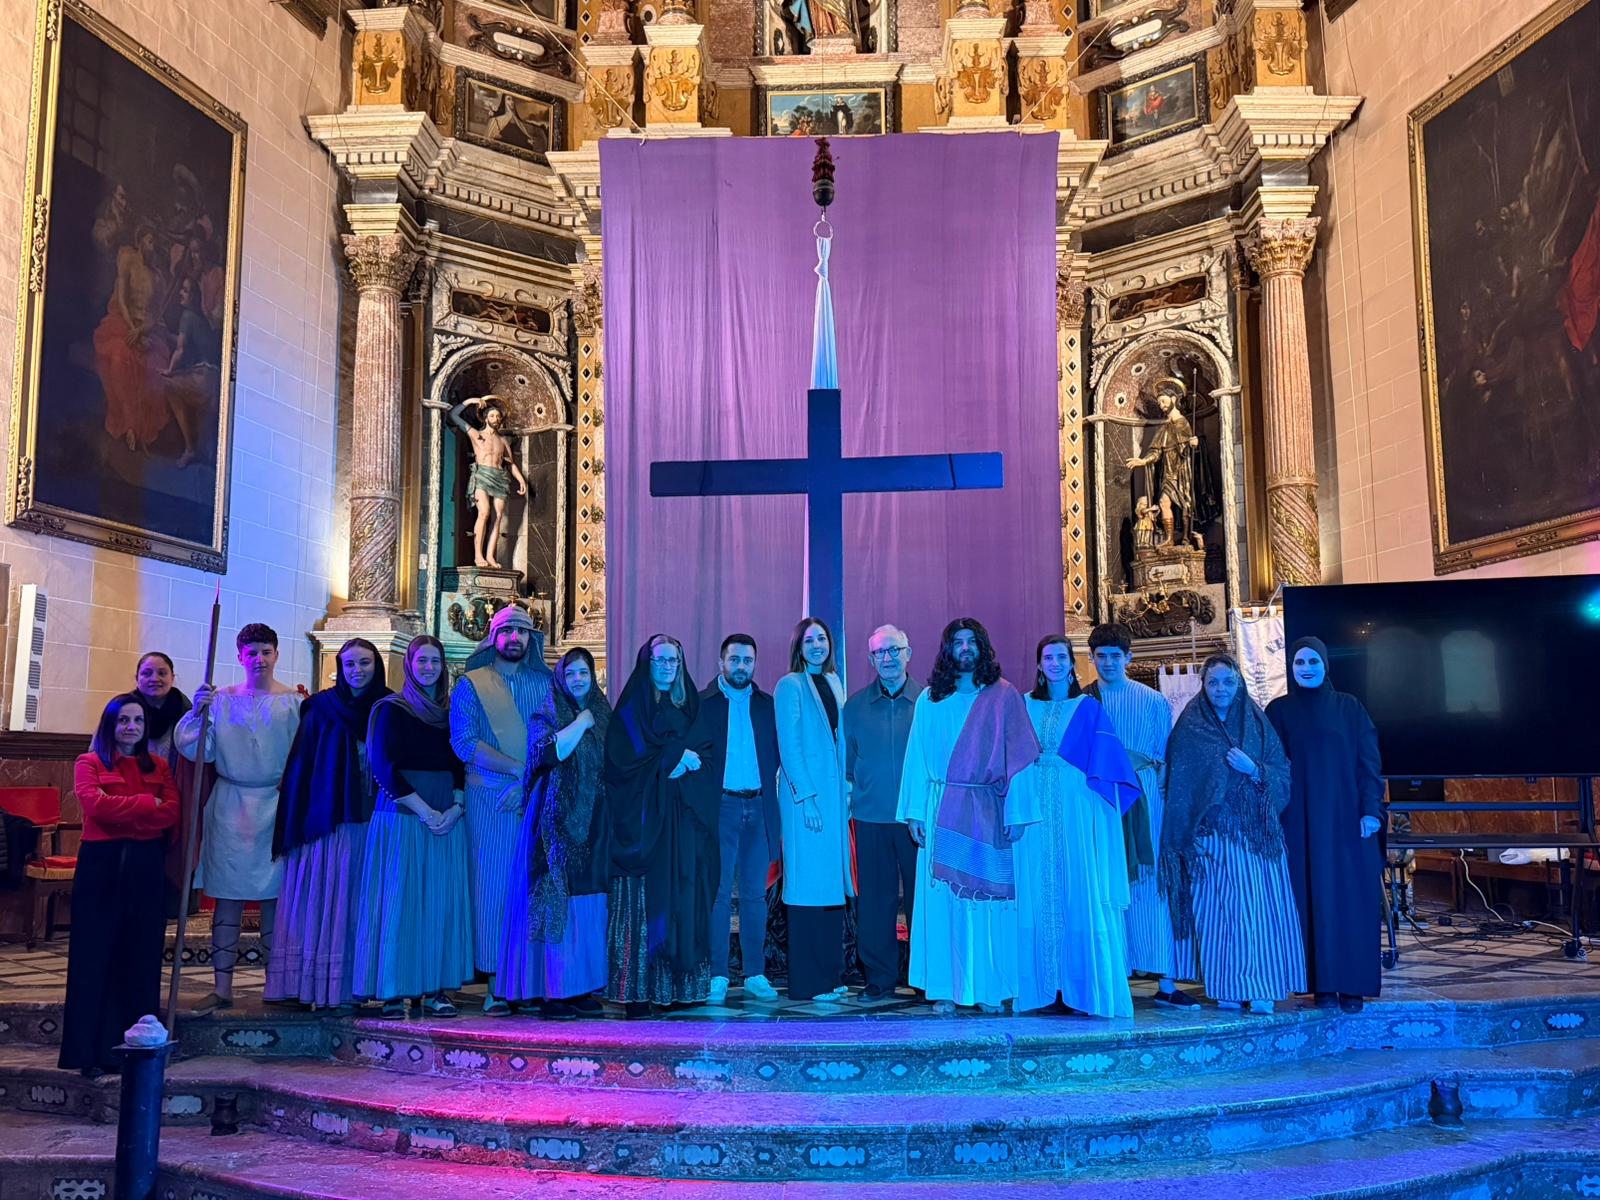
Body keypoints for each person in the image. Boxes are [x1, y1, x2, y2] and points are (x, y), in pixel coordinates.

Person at [896, 618, 1041, 1014]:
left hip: (988, 811)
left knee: (986, 903)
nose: (964, 648)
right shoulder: (930, 699)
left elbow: (1022, 761)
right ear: (947, 650)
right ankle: (944, 987)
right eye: (957, 642)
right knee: (942, 904)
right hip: (941, 809)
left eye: (971, 641)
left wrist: (1018, 811)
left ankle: (988, 988)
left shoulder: (1004, 696)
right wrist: (913, 813)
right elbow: (917, 759)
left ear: (983, 646)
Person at [1165, 654, 1305, 1014]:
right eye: (1213, 683)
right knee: (1218, 916)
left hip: (1255, 838)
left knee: (1256, 914)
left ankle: (1260, 987)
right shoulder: (1191, 725)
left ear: (1239, 683)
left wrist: (1253, 768)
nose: (1221, 689)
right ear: (1204, 685)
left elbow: (1283, 774)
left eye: (1228, 681)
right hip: (1209, 840)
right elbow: (1180, 784)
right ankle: (1226, 987)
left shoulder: (1257, 724)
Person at [176, 623, 301, 1013]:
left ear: (277, 654)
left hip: (277, 805)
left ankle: (276, 984)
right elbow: (200, 751)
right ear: (240, 656)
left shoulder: (294, 702)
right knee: (228, 900)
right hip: (231, 806)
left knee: (274, 903)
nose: (259, 659)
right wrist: (197, 712)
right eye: (251, 653)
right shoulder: (223, 700)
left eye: (265, 651)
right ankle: (222, 986)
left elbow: (305, 754)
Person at [1014, 636, 1141, 1018]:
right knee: (1037, 888)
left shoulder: (1088, 708)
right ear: (1039, 665)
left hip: (1076, 805)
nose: (1054, 663)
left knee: (1077, 885)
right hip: (1035, 807)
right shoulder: (1022, 706)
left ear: (1072, 664)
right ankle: (1040, 989)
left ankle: (1081, 989)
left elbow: (1107, 768)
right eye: (1047, 656)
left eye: (1061, 657)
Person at [353, 636, 473, 1020]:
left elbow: (460, 765)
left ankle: (435, 990)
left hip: (445, 816)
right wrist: (425, 811)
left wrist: (455, 807)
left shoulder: (450, 712)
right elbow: (383, 765)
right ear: (409, 664)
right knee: (400, 904)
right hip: (404, 813)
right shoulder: (391, 709)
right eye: (422, 661)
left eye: (435, 661)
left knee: (439, 905)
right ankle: (393, 989)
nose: (428, 668)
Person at [267, 638, 390, 1009]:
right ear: (340, 666)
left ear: (377, 665)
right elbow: (303, 767)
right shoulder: (320, 708)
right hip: (331, 820)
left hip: (375, 820)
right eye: (350, 664)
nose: (357, 671)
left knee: (363, 904)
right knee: (332, 900)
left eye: (365, 663)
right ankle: (323, 987)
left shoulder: (389, 706)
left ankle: (363, 984)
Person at [61, 694, 180, 1076]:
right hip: (102, 866)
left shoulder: (159, 765)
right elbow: (95, 807)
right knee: (95, 956)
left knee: (141, 956)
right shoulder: (89, 762)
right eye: (123, 720)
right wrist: (147, 804)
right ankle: (89, 1051)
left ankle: (140, 1045)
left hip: (145, 867)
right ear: (110, 725)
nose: (131, 727)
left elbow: (172, 813)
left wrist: (128, 807)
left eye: (138, 721)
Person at [1268, 636, 1385, 1013]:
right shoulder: (1279, 711)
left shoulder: (1350, 708)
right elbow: (1272, 769)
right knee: (1308, 900)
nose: (1306, 669)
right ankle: (1319, 985)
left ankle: (1351, 985)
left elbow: (1368, 765)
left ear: (1326, 664)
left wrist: (1371, 811)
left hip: (1346, 821)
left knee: (1350, 900)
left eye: (1312, 662)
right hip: (1298, 824)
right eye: (1300, 663)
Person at [1083, 622, 1197, 1007]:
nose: (1109, 663)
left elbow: (1164, 760)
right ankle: (1116, 972)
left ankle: (1166, 980)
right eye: (1102, 656)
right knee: (1109, 883)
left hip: (1144, 795)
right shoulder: (1085, 700)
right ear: (1092, 659)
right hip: (1100, 799)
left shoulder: (1151, 701)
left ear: (1129, 658)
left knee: (1150, 883)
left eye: (1116, 656)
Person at [604, 635, 719, 1016]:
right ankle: (637, 990)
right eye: (660, 660)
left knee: (684, 899)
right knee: (646, 904)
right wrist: (672, 758)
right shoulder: (631, 711)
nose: (667, 667)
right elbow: (622, 765)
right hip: (645, 829)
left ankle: (681, 990)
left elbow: (707, 754)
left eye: (674, 660)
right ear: (647, 663)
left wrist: (687, 763)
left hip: (683, 826)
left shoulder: (692, 708)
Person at [449, 605, 554, 1015]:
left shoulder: (546, 684)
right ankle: (495, 982)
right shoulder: (470, 685)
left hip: (537, 799)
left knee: (530, 889)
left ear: (532, 639)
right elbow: (464, 742)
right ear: (493, 636)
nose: (515, 638)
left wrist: (529, 782)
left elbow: (554, 739)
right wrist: (517, 773)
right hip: (489, 800)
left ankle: (527, 982)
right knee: (492, 889)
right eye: (507, 630)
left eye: (522, 631)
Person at [499, 647, 613, 1019]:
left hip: (593, 825)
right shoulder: (545, 715)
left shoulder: (604, 713)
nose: (578, 679)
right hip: (552, 828)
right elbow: (547, 755)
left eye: (584, 673)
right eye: (571, 674)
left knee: (587, 901)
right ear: (560, 678)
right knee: (555, 901)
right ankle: (552, 991)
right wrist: (580, 723)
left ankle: (578, 987)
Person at [774, 618, 854, 1003]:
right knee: (806, 886)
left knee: (830, 888)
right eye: (809, 640)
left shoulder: (836, 683)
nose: (817, 645)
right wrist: (804, 798)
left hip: (834, 799)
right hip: (804, 799)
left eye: (822, 638)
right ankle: (808, 982)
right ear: (799, 647)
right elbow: (789, 747)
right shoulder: (789, 686)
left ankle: (831, 974)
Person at [699, 634, 781, 1005]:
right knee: (717, 895)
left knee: (754, 895)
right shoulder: (703, 705)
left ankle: (755, 973)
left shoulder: (767, 706)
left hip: (760, 807)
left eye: (748, 660)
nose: (741, 667)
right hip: (722, 807)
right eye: (735, 660)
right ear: (721, 663)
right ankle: (717, 973)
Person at [843, 624, 921, 1003]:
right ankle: (879, 978)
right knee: (875, 902)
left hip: (917, 820)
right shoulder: (854, 707)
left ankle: (925, 977)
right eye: (879, 653)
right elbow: (846, 766)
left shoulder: (929, 702)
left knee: (922, 900)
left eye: (894, 650)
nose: (887, 659)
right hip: (870, 818)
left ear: (909, 652)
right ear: (870, 658)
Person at [449, 395, 527, 569]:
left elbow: (511, 464)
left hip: (500, 478)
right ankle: (478, 555)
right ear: (485, 418)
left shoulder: (503, 440)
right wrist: (470, 401)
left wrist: (521, 480)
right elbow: (453, 415)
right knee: (483, 513)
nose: (496, 419)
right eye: (492, 416)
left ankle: (490, 556)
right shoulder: (476, 435)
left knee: (498, 517)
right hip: (482, 476)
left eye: (498, 417)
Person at [132, 652, 190, 763]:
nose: (154, 679)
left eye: (162, 673)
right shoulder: (121, 710)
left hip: (172, 778)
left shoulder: (187, 713)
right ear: (137, 678)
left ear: (172, 678)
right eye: (147, 673)